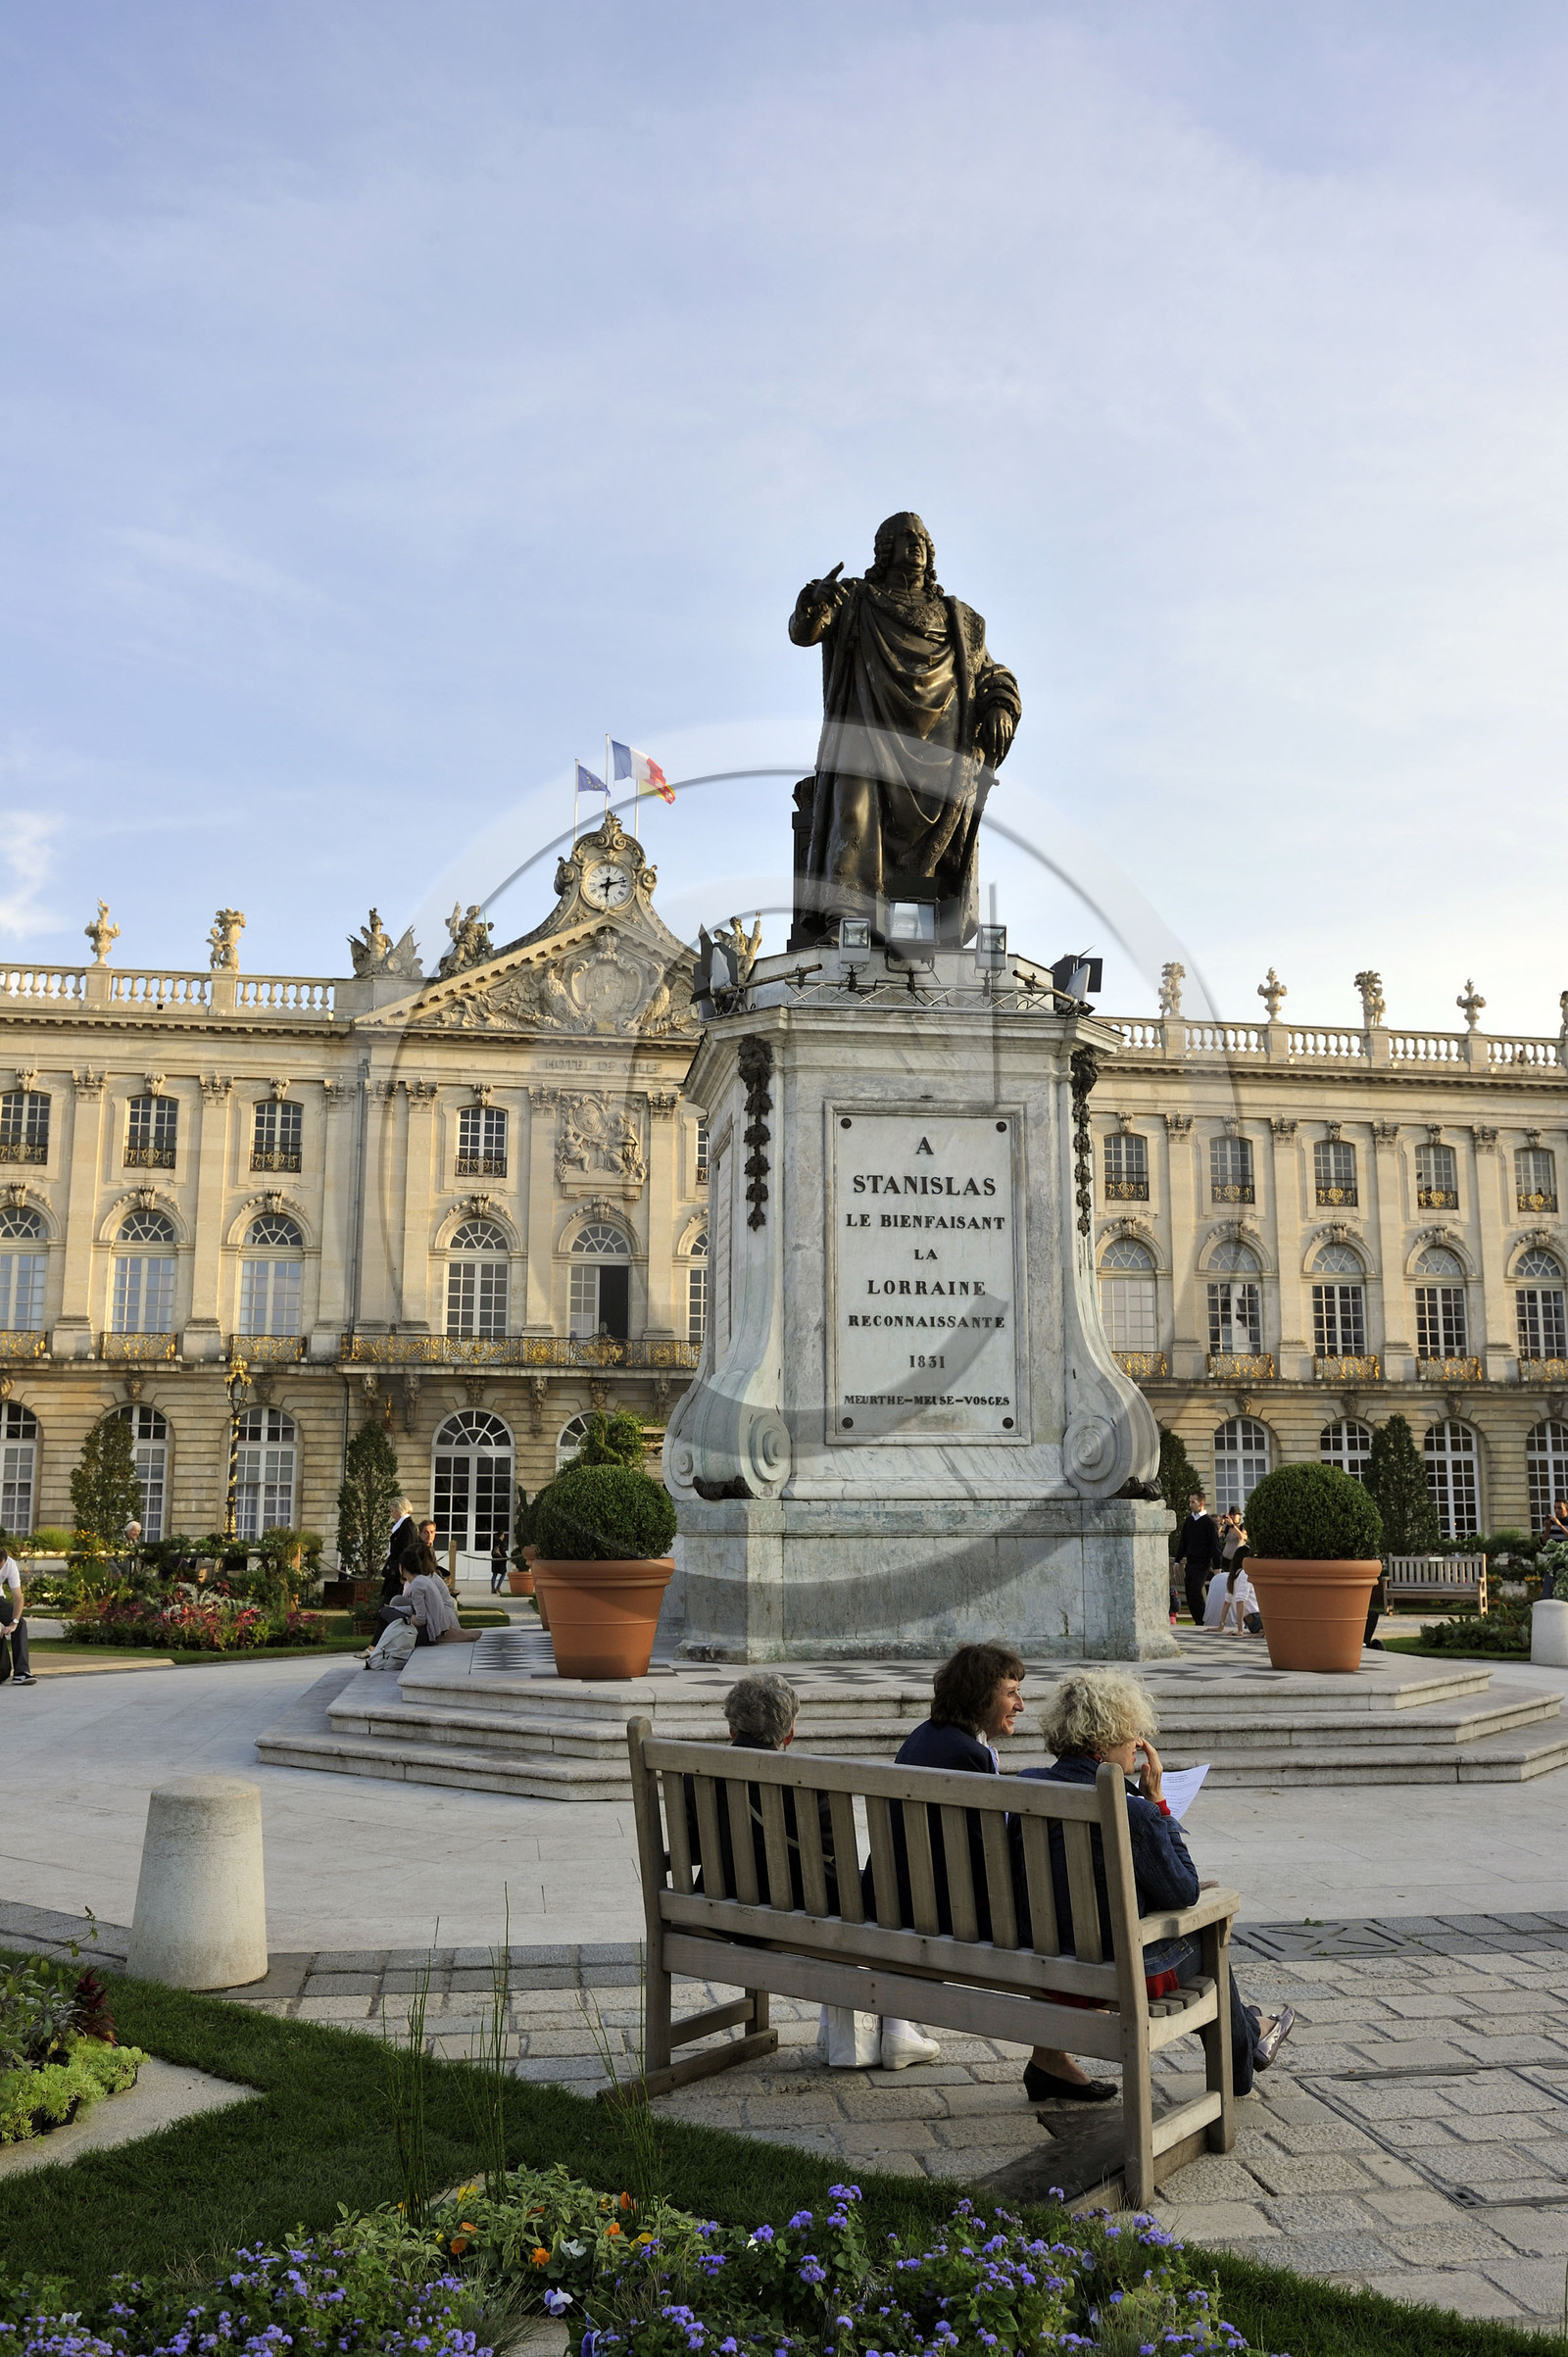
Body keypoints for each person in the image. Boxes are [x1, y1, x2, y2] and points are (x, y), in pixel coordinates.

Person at [1017, 1670, 1295, 2103]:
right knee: (1207, 1934)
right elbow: (1184, 1891)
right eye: (1132, 1731)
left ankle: (1253, 2027)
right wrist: (1157, 1804)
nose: (1140, 1740)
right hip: (1117, 1969)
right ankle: (1243, 2056)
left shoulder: (1026, 1785)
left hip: (1038, 1958)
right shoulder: (1134, 1813)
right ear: (1101, 1740)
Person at [857, 1641, 1031, 2073]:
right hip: (941, 1912)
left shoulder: (924, 1737)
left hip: (888, 1897)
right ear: (980, 1695)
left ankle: (898, 2027)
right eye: (1011, 1692)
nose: (1021, 1705)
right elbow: (985, 1854)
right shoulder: (969, 1755)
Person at [407, 1547, 479, 1645]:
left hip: (442, 1619)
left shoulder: (423, 1580)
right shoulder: (430, 1576)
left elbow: (413, 1603)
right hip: (443, 1615)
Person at [1175, 1494, 1222, 1628]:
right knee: (1189, 1592)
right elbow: (1183, 1542)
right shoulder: (1189, 1521)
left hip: (1203, 1563)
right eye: (1190, 1502)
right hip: (1191, 1562)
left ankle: (1204, 1620)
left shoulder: (1208, 1522)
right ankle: (1198, 1621)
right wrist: (1177, 1560)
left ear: (1201, 1503)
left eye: (1193, 1502)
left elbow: (1215, 1545)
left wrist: (1217, 1565)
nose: (1190, 1505)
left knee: (1196, 1591)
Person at [1, 1536, 34, 1687]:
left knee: (20, 1623)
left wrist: (13, 1623)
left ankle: (21, 1673)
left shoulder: (10, 1564)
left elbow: (18, 1597)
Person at [379, 1500, 421, 1606]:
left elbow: (408, 1551)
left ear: (398, 1510)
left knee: (392, 1601)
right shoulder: (402, 1526)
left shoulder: (407, 1526)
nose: (391, 1514)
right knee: (388, 1599)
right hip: (396, 1569)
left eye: (392, 1511)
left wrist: (404, 1573)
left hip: (399, 1571)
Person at [490, 1527, 511, 1594]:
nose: (504, 1536)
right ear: (501, 1535)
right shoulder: (500, 1542)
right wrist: (506, 1557)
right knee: (503, 1573)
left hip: (494, 1560)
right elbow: (502, 1551)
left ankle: (493, 1589)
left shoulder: (495, 1541)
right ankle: (498, 1587)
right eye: (503, 1534)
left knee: (494, 1574)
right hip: (500, 1561)